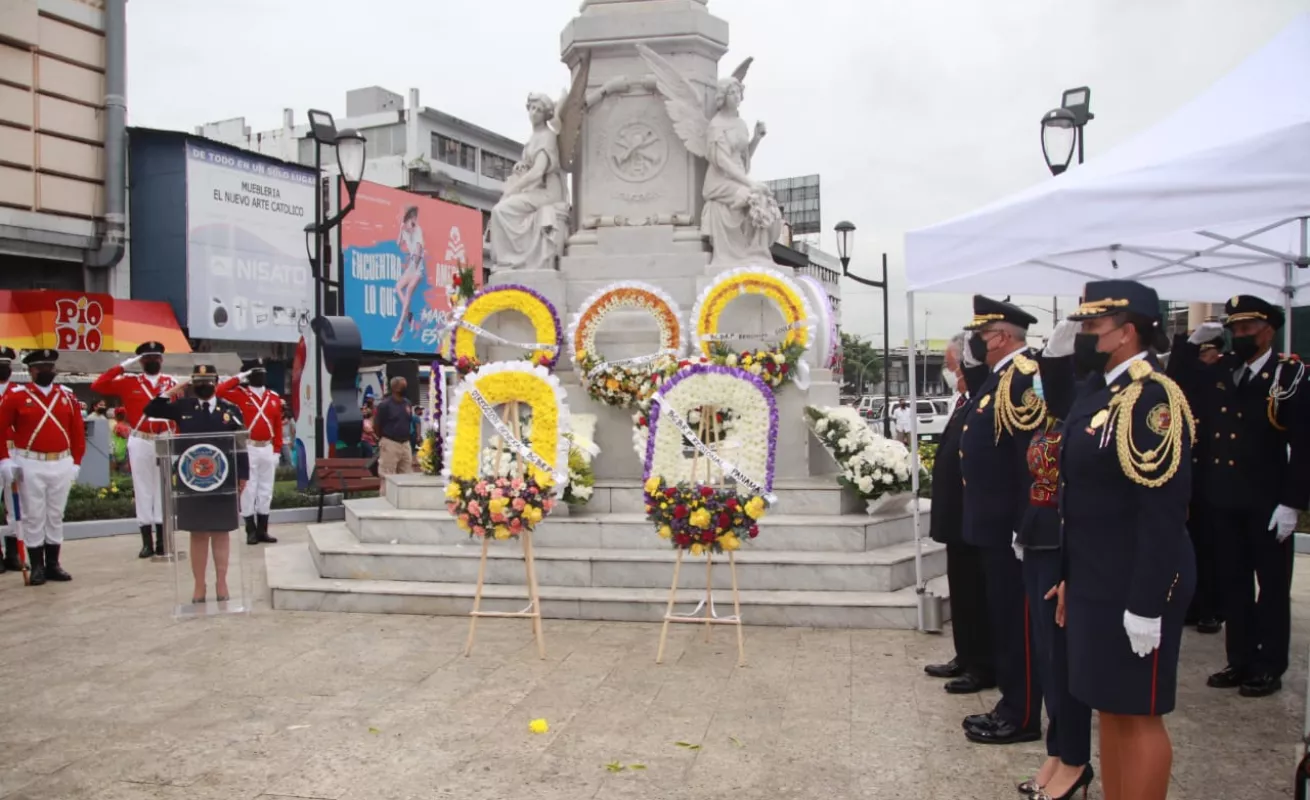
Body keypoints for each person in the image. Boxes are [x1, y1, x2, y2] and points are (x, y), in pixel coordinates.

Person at [1055, 280, 1196, 800]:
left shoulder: (1154, 398)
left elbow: (1162, 511)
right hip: (1096, 577)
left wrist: (1146, 603)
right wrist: (1071, 576)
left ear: (1126, 333)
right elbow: (1081, 499)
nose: (1083, 336)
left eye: (1092, 327)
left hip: (1138, 579)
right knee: (1110, 706)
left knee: (1139, 714)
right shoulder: (1102, 393)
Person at [1174, 296, 1309, 698]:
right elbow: (1179, 381)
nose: (1240, 336)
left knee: (1270, 586)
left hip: (1267, 502)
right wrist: (1191, 341)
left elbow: (1304, 445)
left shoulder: (1289, 377)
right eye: (1235, 329)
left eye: (1247, 329)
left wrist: (1293, 502)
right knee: (1232, 583)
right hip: (1224, 498)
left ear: (1269, 329)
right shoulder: (1225, 370)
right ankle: (1240, 658)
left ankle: (1269, 664)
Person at [1012, 320, 1095, 800]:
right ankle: (1058, 748)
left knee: (1064, 659)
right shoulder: (1055, 415)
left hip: (1065, 542)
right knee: (1048, 655)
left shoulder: (1087, 407)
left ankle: (1075, 758)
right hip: (1039, 535)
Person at [957, 295, 1044, 746]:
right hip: (992, 524)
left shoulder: (1023, 377)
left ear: (1002, 336)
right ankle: (1013, 702)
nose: (978, 341)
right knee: (1004, 618)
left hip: (1010, 526)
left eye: (983, 334)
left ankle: (1023, 713)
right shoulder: (1001, 377)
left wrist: (1024, 522)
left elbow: (1030, 455)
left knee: (1017, 623)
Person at [924, 332, 995, 694]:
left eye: (953, 365)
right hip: (957, 519)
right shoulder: (965, 400)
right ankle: (964, 655)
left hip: (972, 518)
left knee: (976, 594)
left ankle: (981, 664)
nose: (951, 372)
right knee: (962, 590)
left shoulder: (983, 398)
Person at [145, 365, 248, 604]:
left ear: (215, 382)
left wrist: (243, 474)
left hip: (223, 479)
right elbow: (151, 409)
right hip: (192, 480)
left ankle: (221, 583)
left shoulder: (230, 409)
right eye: (198, 381)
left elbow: (241, 443)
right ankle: (199, 585)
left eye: (207, 381)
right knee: (199, 533)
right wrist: (174, 390)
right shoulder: (184, 407)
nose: (203, 385)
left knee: (221, 532)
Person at [0, 350, 86, 586]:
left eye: (50, 367)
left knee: (56, 514)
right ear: (31, 371)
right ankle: (37, 565)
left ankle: (53, 564)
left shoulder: (67, 396)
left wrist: (77, 461)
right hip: (29, 461)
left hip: (61, 461)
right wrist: (4, 459)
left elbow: (77, 431)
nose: (48, 371)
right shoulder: (17, 396)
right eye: (42, 367)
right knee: (33, 515)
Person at [90, 341, 178, 559]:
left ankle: (162, 541)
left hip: (164, 439)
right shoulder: (129, 382)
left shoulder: (172, 383)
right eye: (147, 358)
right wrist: (122, 366)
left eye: (156, 357)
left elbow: (178, 414)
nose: (152, 361)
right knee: (143, 489)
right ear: (141, 361)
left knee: (162, 489)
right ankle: (146, 542)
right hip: (141, 439)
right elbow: (98, 386)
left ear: (162, 360)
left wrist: (178, 440)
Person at [1167, 327, 1224, 635]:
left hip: (1214, 476)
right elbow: (1175, 375)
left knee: (1212, 548)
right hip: (1191, 474)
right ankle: (1195, 604)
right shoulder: (1189, 381)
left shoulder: (1221, 377)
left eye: (1207, 352)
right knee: (1193, 543)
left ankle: (1212, 608)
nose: (1204, 359)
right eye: (1199, 353)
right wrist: (1186, 345)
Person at [217, 359, 282, 546]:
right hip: (249, 447)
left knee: (266, 490)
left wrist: (277, 450)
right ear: (248, 375)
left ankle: (263, 530)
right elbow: (219, 391)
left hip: (267, 447)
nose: (261, 375)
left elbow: (277, 426)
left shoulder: (273, 397)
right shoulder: (240, 394)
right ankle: (250, 530)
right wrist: (239, 378)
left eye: (262, 371)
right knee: (248, 489)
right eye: (256, 372)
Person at [0, 347, 24, 574]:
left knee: (16, 507)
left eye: (6, 364)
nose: (3, 368)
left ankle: (14, 552)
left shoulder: (20, 393)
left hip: (15, 453)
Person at [373, 377, 414, 495]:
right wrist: (383, 440)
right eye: (403, 385)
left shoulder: (407, 403)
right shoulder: (385, 405)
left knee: (406, 475)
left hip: (405, 444)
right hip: (390, 443)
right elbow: (377, 425)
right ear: (395, 388)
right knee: (387, 476)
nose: (406, 388)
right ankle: (384, 504)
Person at [393, 205, 425, 343]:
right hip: (412, 265)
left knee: (408, 292)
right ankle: (409, 315)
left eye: (414, 220)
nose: (412, 223)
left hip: (417, 265)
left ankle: (399, 327)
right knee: (398, 287)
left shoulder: (418, 231)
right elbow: (398, 244)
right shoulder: (406, 231)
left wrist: (415, 268)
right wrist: (401, 230)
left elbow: (418, 251)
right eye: (411, 220)